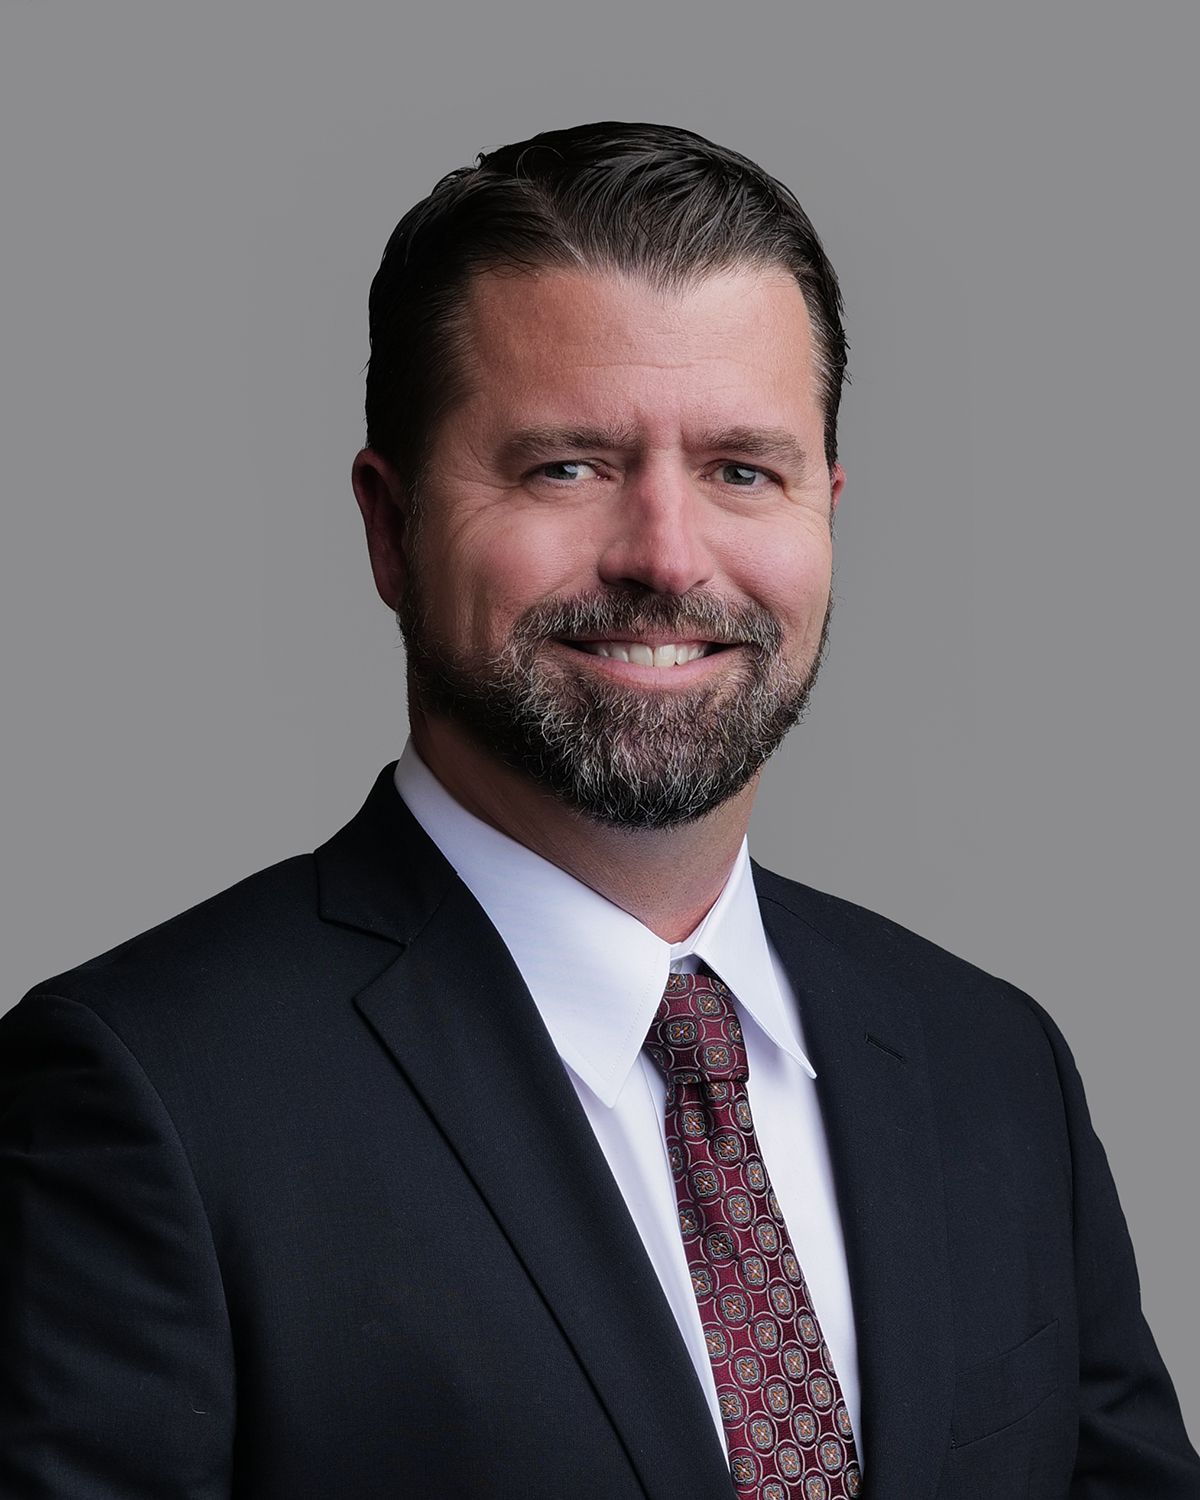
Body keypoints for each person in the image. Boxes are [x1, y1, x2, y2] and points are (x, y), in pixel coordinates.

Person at [1, 121, 1196, 1500]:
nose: (669, 558)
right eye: (567, 466)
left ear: (826, 513)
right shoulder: (152, 1095)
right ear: (391, 529)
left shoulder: (995, 1067)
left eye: (745, 470)